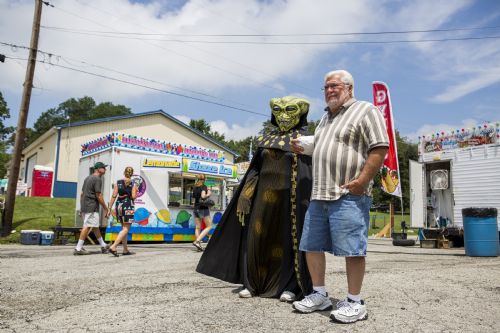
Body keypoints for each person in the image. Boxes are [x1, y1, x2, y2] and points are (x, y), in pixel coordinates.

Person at [290, 70, 389, 324]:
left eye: (334, 86)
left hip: (349, 193)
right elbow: (324, 145)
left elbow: (379, 147)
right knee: (311, 246)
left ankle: (355, 302)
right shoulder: (325, 119)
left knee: (352, 249)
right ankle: (320, 294)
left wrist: (363, 181)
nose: (329, 90)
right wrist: (303, 145)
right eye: (325, 87)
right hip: (319, 193)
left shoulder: (366, 110)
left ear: (349, 88)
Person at [196, 96, 313, 302]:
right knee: (257, 240)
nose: (284, 116)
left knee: (287, 240)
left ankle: (290, 286)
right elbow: (256, 169)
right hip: (262, 199)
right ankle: (253, 283)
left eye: (290, 110)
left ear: (300, 113)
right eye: (279, 110)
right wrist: (246, 194)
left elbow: (309, 170)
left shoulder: (305, 141)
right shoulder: (266, 138)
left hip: (290, 201)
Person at [74, 162, 110, 255]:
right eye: (103, 168)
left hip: (86, 206)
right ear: (98, 169)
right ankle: (78, 248)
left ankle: (103, 245)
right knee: (87, 226)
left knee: (94, 226)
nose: (105, 170)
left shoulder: (87, 178)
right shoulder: (97, 179)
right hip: (92, 206)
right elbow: (98, 195)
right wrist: (106, 208)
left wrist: (81, 206)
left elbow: (82, 194)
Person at [107, 166, 138, 257]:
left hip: (119, 206)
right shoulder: (133, 184)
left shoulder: (118, 182)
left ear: (124, 173)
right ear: (132, 174)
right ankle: (113, 246)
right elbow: (133, 197)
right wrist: (136, 192)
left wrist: (109, 208)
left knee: (123, 228)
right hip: (128, 206)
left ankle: (125, 249)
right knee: (126, 228)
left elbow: (114, 196)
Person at [191, 174, 213, 251]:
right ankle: (197, 241)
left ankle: (198, 245)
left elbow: (193, 201)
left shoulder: (194, 187)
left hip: (196, 208)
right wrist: (209, 193)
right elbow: (203, 196)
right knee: (209, 226)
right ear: (204, 179)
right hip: (203, 208)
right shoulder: (204, 186)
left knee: (198, 227)